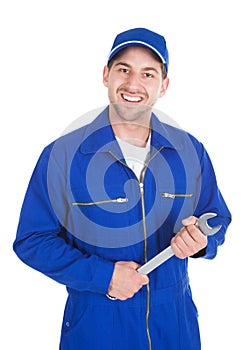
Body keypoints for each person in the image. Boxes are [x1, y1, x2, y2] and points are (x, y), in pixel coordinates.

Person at [13, 27, 232, 350]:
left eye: (148, 73)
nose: (133, 84)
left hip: (175, 328)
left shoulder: (189, 151)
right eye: (124, 70)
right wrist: (104, 278)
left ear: (164, 85)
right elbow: (32, 241)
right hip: (97, 330)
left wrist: (201, 242)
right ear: (106, 75)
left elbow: (217, 219)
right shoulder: (62, 156)